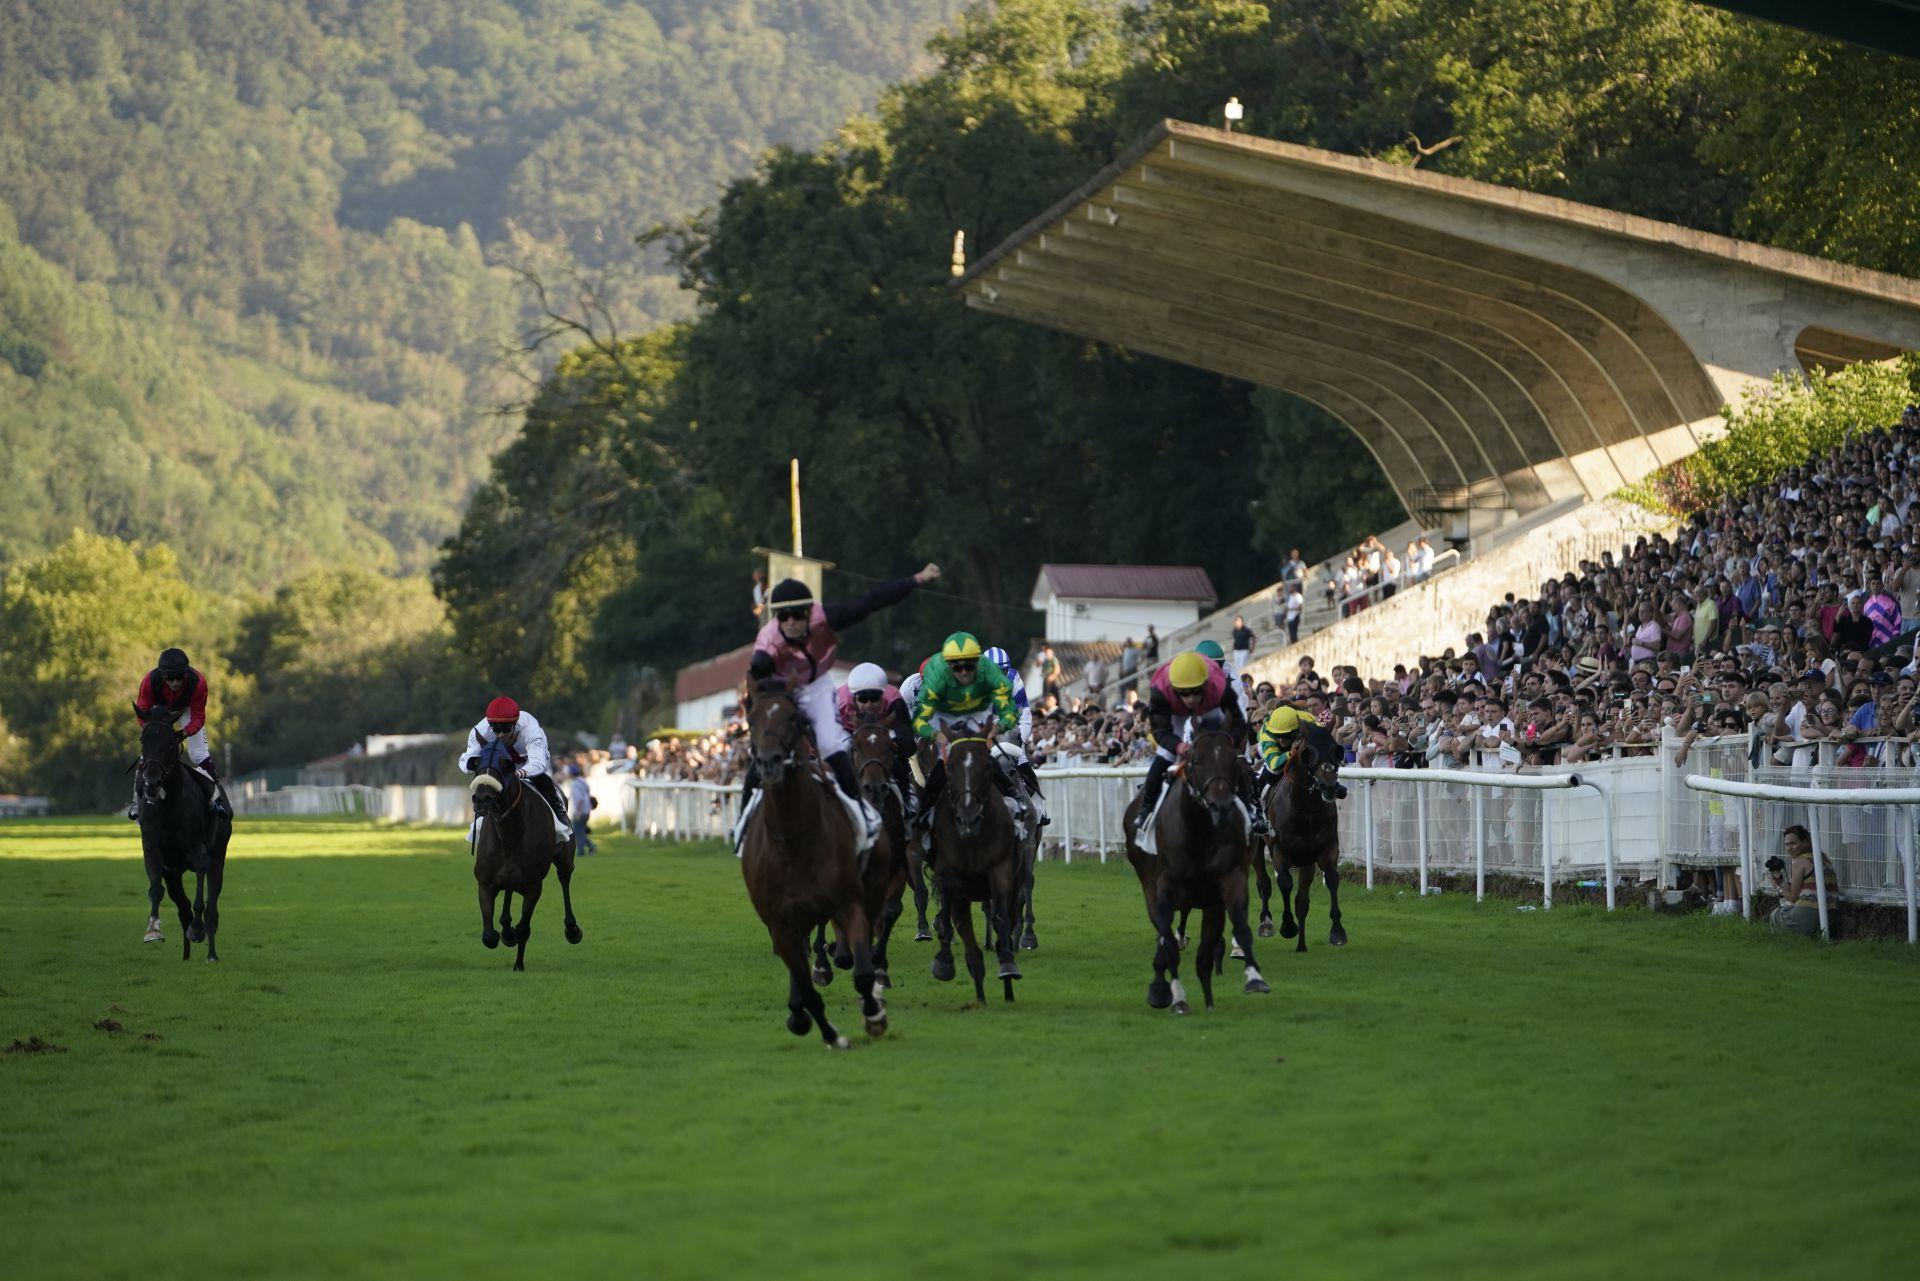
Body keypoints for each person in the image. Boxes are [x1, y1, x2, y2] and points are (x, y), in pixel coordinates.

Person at [739, 565, 941, 846]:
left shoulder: (825, 618)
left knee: (833, 748)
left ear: (809, 612)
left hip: (818, 686)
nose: (791, 622)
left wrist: (915, 579)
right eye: (783, 616)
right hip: (782, 689)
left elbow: (870, 600)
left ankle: (862, 814)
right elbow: (755, 696)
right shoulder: (767, 643)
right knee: (763, 755)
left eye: (797, 615)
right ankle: (743, 823)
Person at [1130, 650, 1267, 849]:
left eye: (1196, 691)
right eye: (1185, 693)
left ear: (1205, 683)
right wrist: (1180, 746)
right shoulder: (1160, 688)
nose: (1191, 698)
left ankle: (1251, 810)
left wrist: (1226, 740)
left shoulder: (1218, 683)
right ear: (1174, 687)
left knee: (1232, 756)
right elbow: (1161, 731)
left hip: (1210, 708)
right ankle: (1146, 810)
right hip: (1174, 712)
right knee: (1165, 755)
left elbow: (1238, 721)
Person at [911, 632, 1020, 830]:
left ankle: (1016, 799)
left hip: (977, 728)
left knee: (991, 761)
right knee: (938, 771)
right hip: (949, 733)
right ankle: (924, 817)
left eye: (968, 666)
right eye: (957, 667)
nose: (963, 672)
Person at [129, 647, 231, 819]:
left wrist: (183, 733)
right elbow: (143, 713)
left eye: (179, 678)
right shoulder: (149, 682)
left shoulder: (198, 682)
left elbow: (198, 717)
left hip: (186, 710)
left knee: (198, 754)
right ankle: (136, 804)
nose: (175, 682)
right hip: (158, 714)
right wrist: (157, 731)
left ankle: (216, 799)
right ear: (162, 676)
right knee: (148, 756)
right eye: (170, 678)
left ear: (186, 674)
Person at [458, 696, 572, 842]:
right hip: (501, 766)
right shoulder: (480, 730)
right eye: (495, 730)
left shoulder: (530, 728)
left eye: (505, 729)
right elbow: (465, 760)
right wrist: (475, 766)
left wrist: (517, 773)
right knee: (485, 788)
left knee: (542, 779)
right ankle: (480, 819)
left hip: (529, 763)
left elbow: (538, 764)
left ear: (515, 724)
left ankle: (559, 811)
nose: (500, 735)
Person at [835, 661, 920, 819]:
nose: (869, 704)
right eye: (863, 699)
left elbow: (908, 744)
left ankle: (906, 805)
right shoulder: (838, 701)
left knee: (898, 761)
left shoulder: (894, 698)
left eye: (874, 699)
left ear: (883, 695)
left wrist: (892, 746)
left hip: (883, 731)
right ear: (853, 698)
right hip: (847, 731)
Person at [984, 645, 1049, 827]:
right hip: (984, 733)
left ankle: (1039, 810)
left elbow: (1025, 714)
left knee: (1024, 766)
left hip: (1009, 730)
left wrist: (1017, 739)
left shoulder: (1013, 678)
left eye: (1002, 671)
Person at [1766, 824, 1825, 937]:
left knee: (1777, 914)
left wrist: (1777, 888)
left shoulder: (1799, 861)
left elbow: (1793, 898)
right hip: (1829, 915)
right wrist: (1781, 881)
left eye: (1793, 843)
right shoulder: (1819, 857)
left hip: (1812, 914)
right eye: (1787, 844)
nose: (1789, 848)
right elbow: (1797, 890)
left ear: (1805, 842)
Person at [566, 764, 596, 856]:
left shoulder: (575, 784)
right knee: (580, 831)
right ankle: (591, 846)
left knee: (577, 832)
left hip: (580, 811)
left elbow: (579, 799)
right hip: (587, 810)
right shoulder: (583, 781)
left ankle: (581, 852)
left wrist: (577, 812)